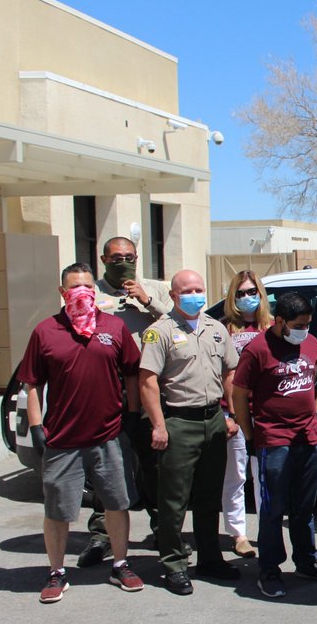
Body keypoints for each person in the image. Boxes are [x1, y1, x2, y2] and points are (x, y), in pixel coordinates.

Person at [19, 263, 143, 603]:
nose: (83, 293)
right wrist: (36, 426)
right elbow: (32, 384)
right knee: (57, 511)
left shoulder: (113, 327)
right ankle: (57, 572)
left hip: (109, 436)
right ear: (63, 292)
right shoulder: (45, 331)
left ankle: (120, 564)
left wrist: (132, 414)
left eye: (88, 286)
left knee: (117, 504)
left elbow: (132, 373)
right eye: (75, 287)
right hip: (63, 440)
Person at [139, 270, 241, 596]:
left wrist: (231, 414)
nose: (195, 295)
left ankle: (210, 558)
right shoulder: (160, 332)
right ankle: (174, 564)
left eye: (199, 289)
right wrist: (158, 425)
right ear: (173, 296)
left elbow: (230, 371)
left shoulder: (216, 328)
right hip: (179, 422)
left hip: (213, 420)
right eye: (188, 291)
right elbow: (147, 381)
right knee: (174, 500)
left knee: (210, 496)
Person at [233, 292, 317, 599]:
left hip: (309, 438)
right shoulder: (257, 349)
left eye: (307, 324)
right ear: (280, 322)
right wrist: (250, 436)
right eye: (298, 325)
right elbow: (239, 395)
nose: (304, 330)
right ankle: (269, 569)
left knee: (304, 508)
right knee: (273, 509)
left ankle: (306, 561)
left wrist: (313, 416)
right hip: (274, 440)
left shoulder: (312, 344)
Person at [77, 236, 172, 568]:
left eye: (129, 257)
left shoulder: (155, 290)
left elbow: (180, 327)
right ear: (104, 260)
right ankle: (102, 535)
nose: (124, 263)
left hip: (150, 390)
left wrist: (147, 301)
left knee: (156, 466)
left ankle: (164, 531)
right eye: (116, 258)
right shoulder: (93, 293)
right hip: (108, 391)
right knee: (106, 467)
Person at [220, 270, 272, 558]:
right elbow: (220, 373)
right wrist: (229, 414)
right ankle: (238, 534)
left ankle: (267, 530)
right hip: (235, 413)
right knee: (236, 475)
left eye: (252, 292)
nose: (247, 298)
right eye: (240, 293)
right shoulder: (224, 329)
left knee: (264, 476)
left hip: (266, 413)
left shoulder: (273, 327)